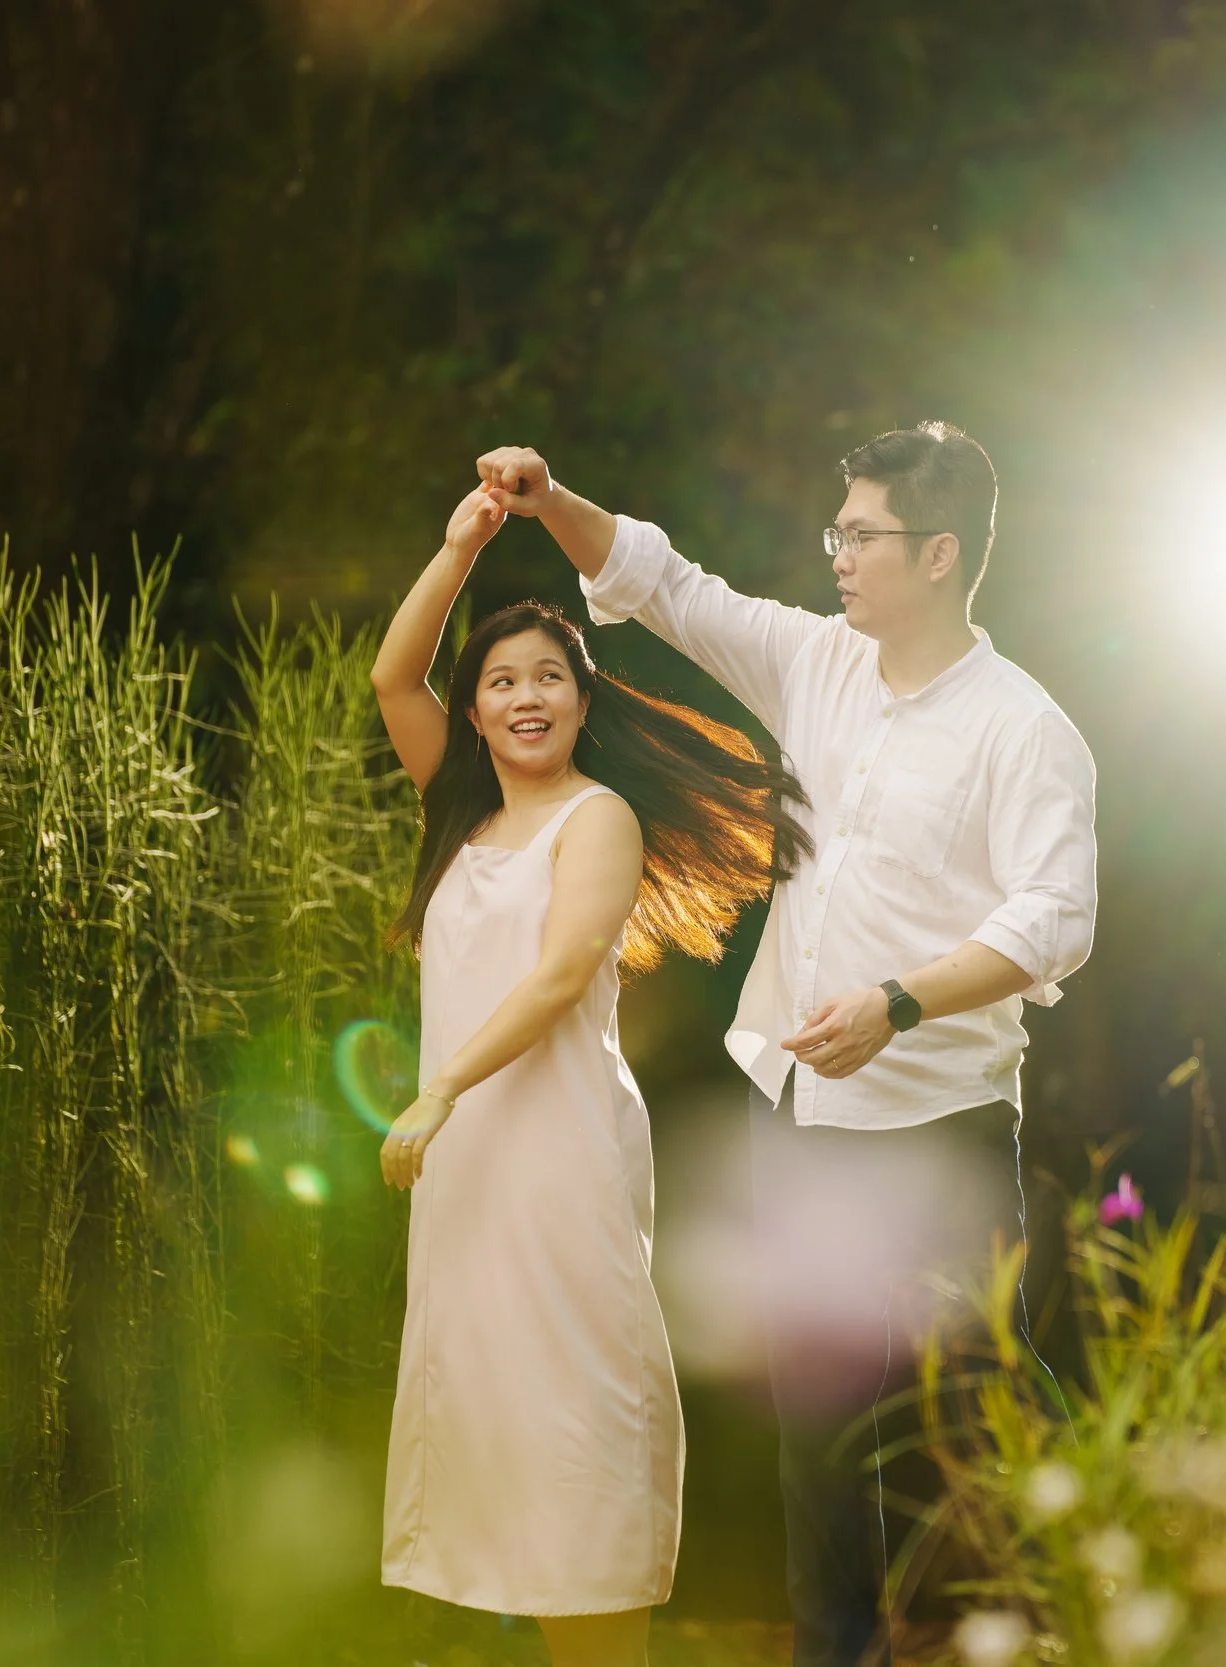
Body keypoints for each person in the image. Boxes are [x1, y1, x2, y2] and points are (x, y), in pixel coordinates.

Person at [474, 424, 1099, 1667]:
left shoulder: (1024, 728)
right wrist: (552, 503)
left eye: (860, 535)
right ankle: (836, 1652)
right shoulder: (818, 662)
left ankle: (1123, 1601)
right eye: (838, 532)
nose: (839, 556)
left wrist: (897, 1001)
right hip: (795, 1109)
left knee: (986, 1412)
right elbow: (671, 588)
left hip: (936, 1122)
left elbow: (1053, 919)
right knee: (812, 1438)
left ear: (937, 552)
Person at [368, 484, 810, 1667]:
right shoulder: (455, 812)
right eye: (503, 679)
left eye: (549, 677)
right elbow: (390, 681)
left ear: (581, 698)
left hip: (554, 1149)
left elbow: (564, 972)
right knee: (489, 1407)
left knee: (575, 1405)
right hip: (466, 1165)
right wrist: (460, 542)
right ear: (476, 707)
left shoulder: (598, 817)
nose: (525, 696)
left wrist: (440, 1085)